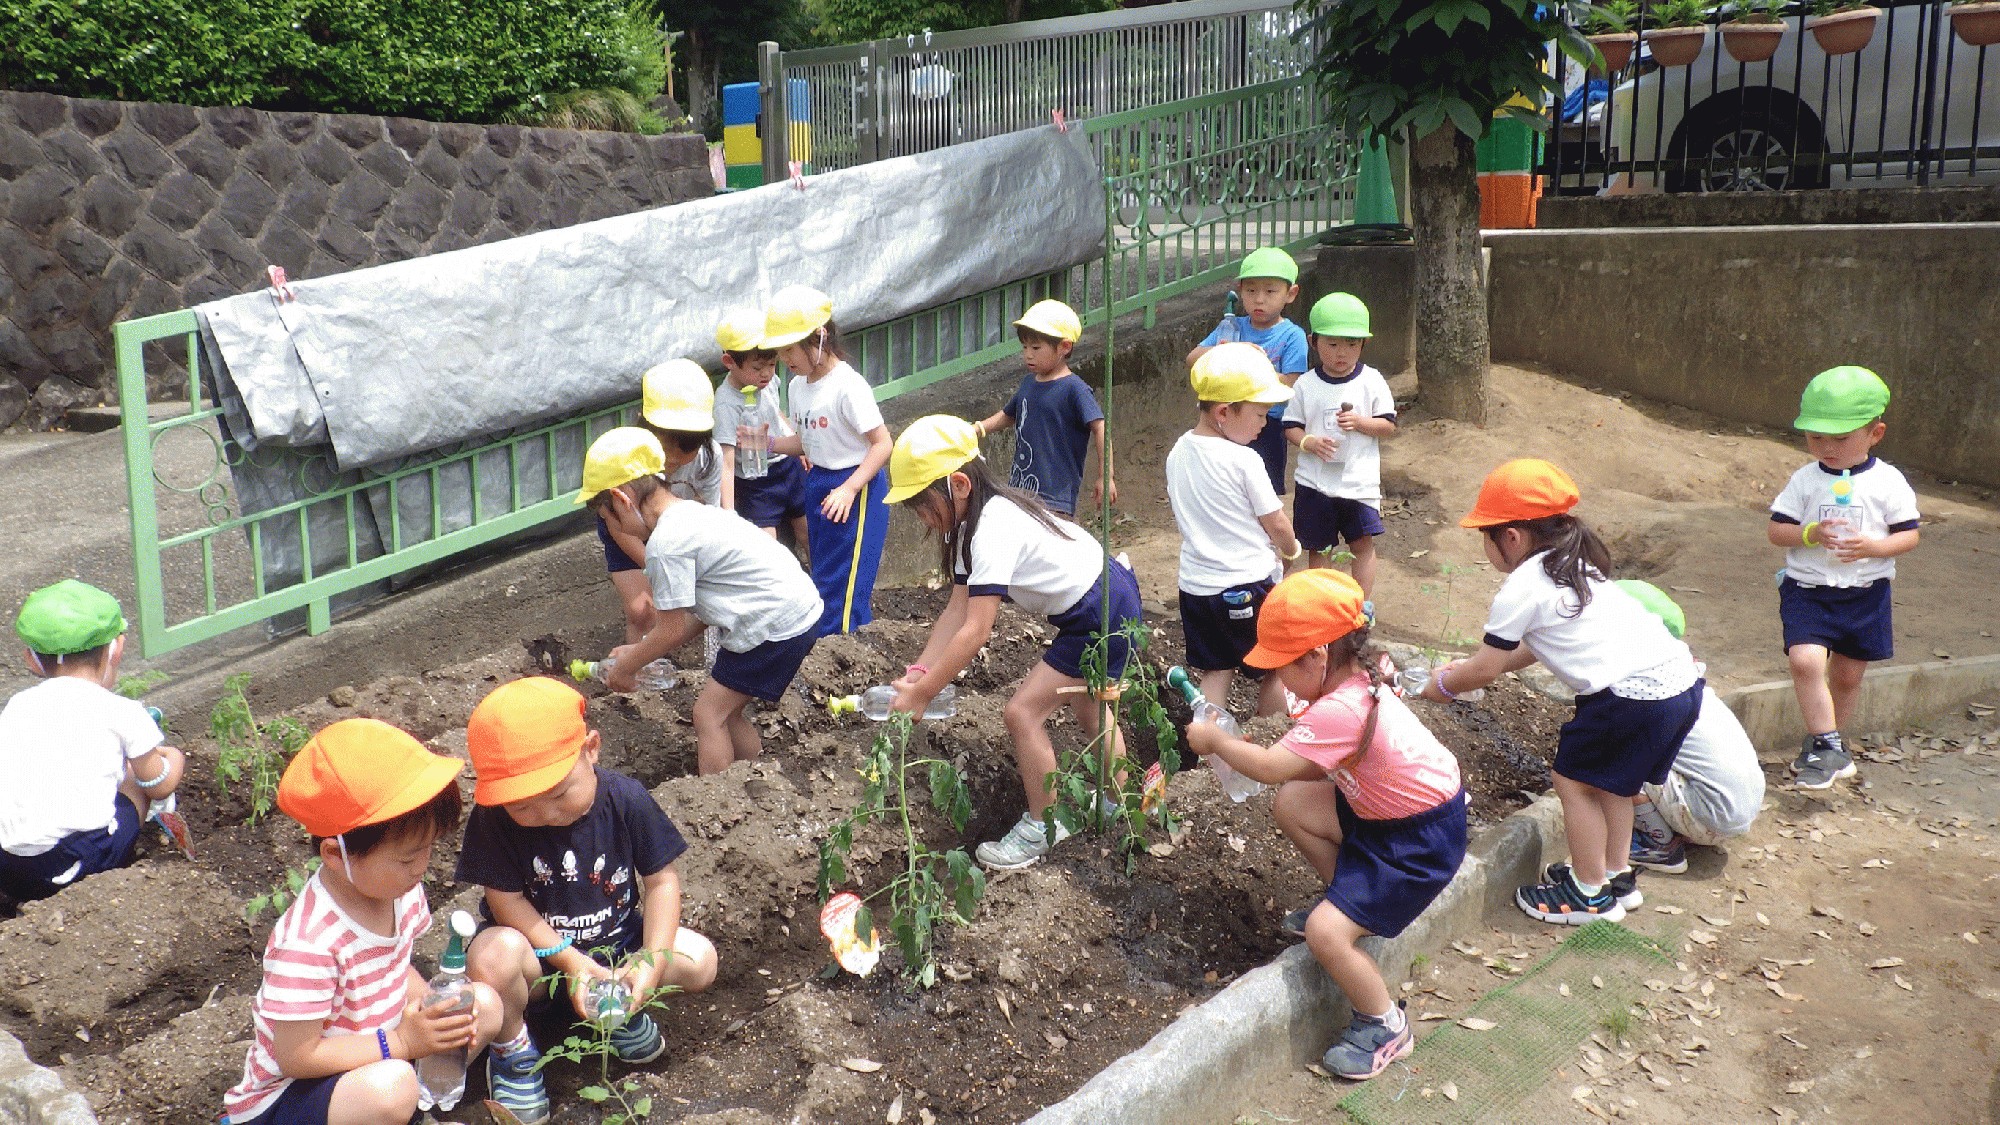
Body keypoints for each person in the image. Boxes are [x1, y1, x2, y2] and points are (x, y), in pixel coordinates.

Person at [1185, 569, 1464, 1081]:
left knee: (1323, 933)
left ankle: (1385, 1023)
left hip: (1416, 841)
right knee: (1295, 804)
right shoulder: (1362, 675)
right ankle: (1350, 900)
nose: (1278, 678)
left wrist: (1217, 741)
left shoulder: (1341, 709)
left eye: (1282, 666)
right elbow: (1311, 768)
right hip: (1392, 814)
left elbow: (1271, 768)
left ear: (1316, 656)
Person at [1416, 460, 1702, 926]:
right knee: (1616, 785)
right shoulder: (1575, 563)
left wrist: (1444, 684)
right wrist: (1470, 669)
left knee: (1574, 783)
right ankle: (1615, 875)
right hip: (1677, 685)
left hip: (1628, 697)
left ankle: (1588, 894)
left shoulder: (1522, 586)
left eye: (1486, 536)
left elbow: (1485, 668)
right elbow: (1533, 647)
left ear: (1510, 537)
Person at [884, 415, 1142, 872]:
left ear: (959, 484)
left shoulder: (992, 529)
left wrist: (923, 695)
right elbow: (955, 611)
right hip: (1105, 596)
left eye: (922, 506)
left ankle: (1044, 826)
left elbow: (975, 630)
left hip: (1100, 610)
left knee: (1022, 712)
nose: (922, 519)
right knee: (1089, 705)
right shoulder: (973, 524)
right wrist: (918, 674)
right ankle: (1117, 800)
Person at [459, 677, 719, 1125]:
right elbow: (508, 904)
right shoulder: (493, 820)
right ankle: (513, 1048)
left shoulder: (626, 800)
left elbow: (661, 883)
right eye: (522, 807)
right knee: (491, 956)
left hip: (616, 953)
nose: (545, 814)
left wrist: (651, 962)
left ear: (591, 749)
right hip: (539, 967)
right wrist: (573, 964)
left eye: (559, 794)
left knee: (700, 960)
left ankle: (620, 1009)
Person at [222, 719, 500, 1125]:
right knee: (392, 1087)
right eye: (407, 857)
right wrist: (403, 1042)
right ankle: (401, 1107)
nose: (421, 867)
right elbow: (298, 1056)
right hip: (293, 1096)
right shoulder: (309, 943)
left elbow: (394, 967)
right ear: (336, 855)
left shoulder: (398, 889)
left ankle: (413, 1107)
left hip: (377, 1060)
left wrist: (432, 1012)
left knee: (482, 1006)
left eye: (428, 849)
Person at [579, 428, 822, 774]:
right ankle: (756, 776)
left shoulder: (666, 546)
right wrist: (640, 650)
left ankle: (715, 794)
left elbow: (670, 630)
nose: (616, 530)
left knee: (708, 715)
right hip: (794, 610)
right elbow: (701, 614)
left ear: (621, 499)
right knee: (728, 712)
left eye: (608, 519)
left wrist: (625, 668)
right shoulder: (692, 514)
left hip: (772, 625)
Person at [1767, 365, 1920, 790]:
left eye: (1840, 438)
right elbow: (1777, 531)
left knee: (1848, 677)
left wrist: (1873, 547)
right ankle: (1827, 744)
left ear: (1875, 433)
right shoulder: (1805, 479)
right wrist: (1811, 533)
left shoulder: (1888, 481)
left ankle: (1825, 746)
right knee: (1805, 660)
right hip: (1808, 588)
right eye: (1816, 437)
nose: (1826, 448)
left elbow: (1909, 535)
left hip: (1866, 593)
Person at [0, 580, 185, 903]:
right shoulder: (122, 711)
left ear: (31, 659)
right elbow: (159, 785)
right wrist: (175, 758)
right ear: (116, 649)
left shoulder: (17, 705)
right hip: (69, 864)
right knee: (135, 781)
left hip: (8, 866)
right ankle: (110, 875)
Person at [1165, 343, 1304, 721]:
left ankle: (1209, 744)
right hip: (1246, 584)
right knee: (1275, 668)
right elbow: (1277, 523)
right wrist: (1291, 552)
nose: (1265, 423)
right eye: (1260, 413)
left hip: (1197, 588)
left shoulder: (1178, 453)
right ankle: (1270, 737)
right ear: (1224, 412)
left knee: (1217, 670)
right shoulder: (1244, 460)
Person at [1605, 580, 1764, 883]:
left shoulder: (1649, 691)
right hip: (1734, 810)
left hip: (1711, 814)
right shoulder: (1686, 679)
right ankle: (1673, 826)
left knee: (1610, 754)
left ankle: (1659, 845)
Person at [764, 285, 894, 635]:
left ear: (819, 337)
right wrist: (769, 443)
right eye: (780, 351)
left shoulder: (848, 386)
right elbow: (808, 442)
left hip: (855, 486)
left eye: (790, 349)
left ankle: (844, 653)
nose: (784, 359)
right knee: (823, 578)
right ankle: (836, 651)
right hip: (818, 484)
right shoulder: (797, 386)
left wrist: (850, 489)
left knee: (846, 587)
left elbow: (882, 444)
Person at [597, 360, 730, 645]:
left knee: (697, 605)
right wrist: (657, 566)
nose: (673, 459)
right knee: (643, 612)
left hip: (678, 532)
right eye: (665, 447)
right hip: (630, 529)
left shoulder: (709, 458)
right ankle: (636, 666)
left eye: (686, 448)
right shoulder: (625, 459)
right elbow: (618, 526)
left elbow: (708, 514)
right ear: (643, 425)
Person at [1282, 293, 1397, 600]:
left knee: (1362, 544)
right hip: (1314, 482)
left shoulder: (1371, 380)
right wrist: (1308, 442)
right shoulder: (1306, 384)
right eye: (1332, 344)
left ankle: (1361, 605)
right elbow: (1290, 426)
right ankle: (1324, 606)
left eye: (1351, 344)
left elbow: (1388, 425)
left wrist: (1360, 422)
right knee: (1319, 547)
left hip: (1358, 483)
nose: (1342, 353)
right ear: (1314, 342)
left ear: (1363, 345)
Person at [972, 299, 1116, 518]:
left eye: (1036, 348)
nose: (1028, 354)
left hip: (1054, 499)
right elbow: (1009, 414)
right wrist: (977, 429)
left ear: (1064, 347)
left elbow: (1100, 427)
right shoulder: (1028, 383)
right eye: (1025, 347)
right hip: (1020, 491)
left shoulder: (1074, 389)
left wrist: (1106, 476)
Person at [1186, 247, 1309, 495]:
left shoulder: (1292, 336)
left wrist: (1253, 364)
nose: (1259, 299)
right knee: (1225, 484)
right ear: (1240, 290)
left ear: (1291, 294)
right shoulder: (1232, 328)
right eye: (1251, 291)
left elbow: (1291, 384)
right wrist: (1230, 349)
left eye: (1270, 291)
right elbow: (1192, 358)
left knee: (1265, 488)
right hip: (1226, 418)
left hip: (1267, 423)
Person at [711, 308, 810, 554]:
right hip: (756, 483)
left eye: (772, 364)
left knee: (809, 532)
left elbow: (776, 412)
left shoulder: (767, 381)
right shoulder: (726, 404)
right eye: (757, 368)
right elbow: (726, 461)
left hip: (788, 466)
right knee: (768, 549)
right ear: (729, 362)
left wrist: (797, 445)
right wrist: (728, 511)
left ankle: (821, 577)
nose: (766, 373)